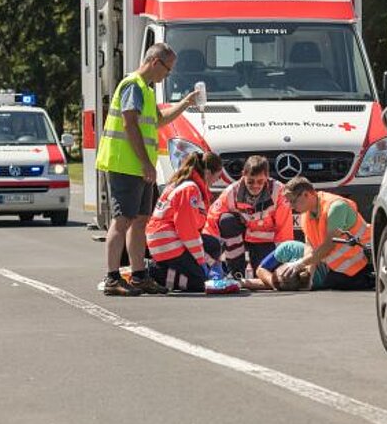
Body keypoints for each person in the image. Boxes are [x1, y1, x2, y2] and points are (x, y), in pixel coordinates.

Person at [97, 43, 200, 296]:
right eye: (167, 69)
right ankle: (112, 278)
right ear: (155, 62)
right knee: (122, 220)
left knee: (140, 221)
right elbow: (129, 125)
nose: (168, 74)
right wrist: (144, 162)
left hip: (140, 167)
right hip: (126, 164)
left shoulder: (147, 90)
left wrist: (186, 103)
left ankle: (138, 274)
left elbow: (160, 121)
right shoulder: (134, 85)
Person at [146, 152, 225, 293]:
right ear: (207, 173)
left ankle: (166, 270)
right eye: (216, 177)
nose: (215, 182)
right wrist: (201, 261)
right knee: (199, 284)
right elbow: (186, 230)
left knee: (213, 244)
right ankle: (156, 273)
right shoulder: (190, 189)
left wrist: (208, 261)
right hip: (169, 243)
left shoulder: (187, 185)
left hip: (169, 240)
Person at [203, 155, 292, 278]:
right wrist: (212, 259)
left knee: (262, 275)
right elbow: (211, 223)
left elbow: (284, 230)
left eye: (260, 181)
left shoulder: (279, 192)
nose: (255, 186)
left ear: (267, 176)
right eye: (250, 181)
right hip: (240, 240)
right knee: (226, 220)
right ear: (243, 175)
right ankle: (237, 272)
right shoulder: (231, 192)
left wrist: (283, 260)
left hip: (265, 242)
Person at [280, 176, 373, 290]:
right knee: (331, 283)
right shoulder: (306, 215)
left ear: (306, 194)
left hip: (365, 265)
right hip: (342, 271)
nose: (291, 207)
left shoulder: (336, 207)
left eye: (293, 201)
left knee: (333, 283)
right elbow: (310, 247)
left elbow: (329, 245)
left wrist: (299, 264)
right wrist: (309, 277)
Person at [241, 240, 326, 291]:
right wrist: (272, 282)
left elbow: (266, 282)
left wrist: (241, 283)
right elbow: (260, 269)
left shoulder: (317, 282)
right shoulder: (290, 249)